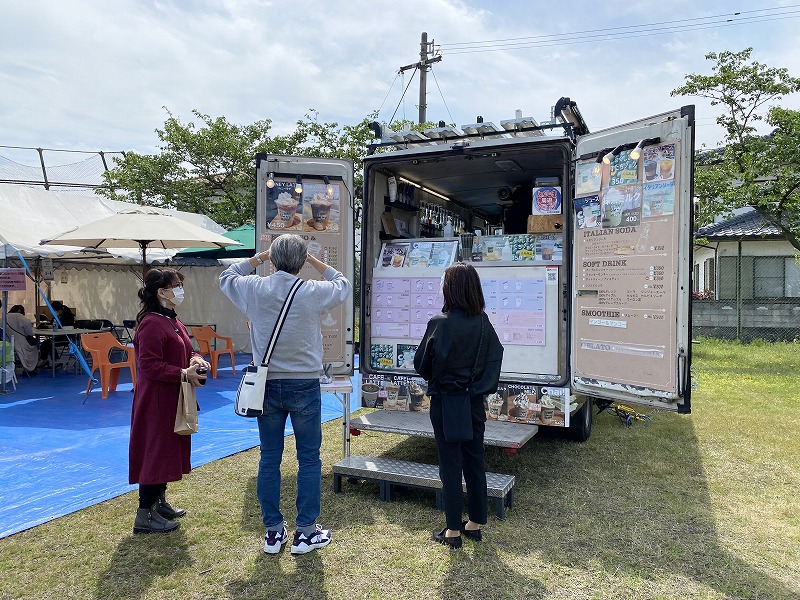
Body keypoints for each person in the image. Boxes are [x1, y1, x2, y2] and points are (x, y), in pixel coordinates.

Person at [220, 234, 352, 555]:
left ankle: (273, 532)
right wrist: (312, 261)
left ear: (274, 259)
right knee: (309, 458)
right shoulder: (311, 291)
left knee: (269, 457)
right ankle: (305, 532)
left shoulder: (254, 288)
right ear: (301, 262)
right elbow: (343, 283)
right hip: (304, 384)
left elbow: (227, 276)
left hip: (266, 384)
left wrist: (260, 258)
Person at [414, 262, 504, 549]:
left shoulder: (439, 323)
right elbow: (495, 358)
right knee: (474, 460)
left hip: (446, 402)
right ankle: (474, 523)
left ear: (449, 288)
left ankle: (452, 530)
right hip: (473, 401)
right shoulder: (483, 322)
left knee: (450, 464)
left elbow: (422, 364)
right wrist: (476, 388)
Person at [129, 268, 210, 534]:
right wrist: (183, 373)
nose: (180, 291)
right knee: (155, 452)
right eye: (176, 286)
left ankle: (159, 502)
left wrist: (196, 359)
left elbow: (186, 349)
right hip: (157, 401)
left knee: (166, 450)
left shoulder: (171, 320)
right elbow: (149, 365)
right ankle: (145, 514)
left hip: (173, 397)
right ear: (162, 292)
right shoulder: (152, 323)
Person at [5, 305, 39, 375]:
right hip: (19, 343)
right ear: (19, 311)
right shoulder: (18, 316)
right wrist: (30, 333)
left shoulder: (4, 317)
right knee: (35, 348)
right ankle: (31, 368)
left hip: (8, 343)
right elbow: (28, 324)